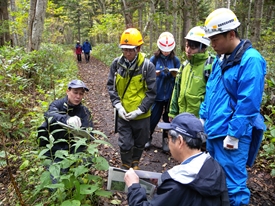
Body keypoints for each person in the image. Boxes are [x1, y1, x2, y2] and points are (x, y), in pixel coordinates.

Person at [199, 8, 266, 205]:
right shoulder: (222, 59)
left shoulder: (251, 60)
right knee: (214, 179)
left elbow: (249, 102)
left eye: (215, 39)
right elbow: (211, 90)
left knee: (233, 187)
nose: (212, 45)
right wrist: (203, 117)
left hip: (231, 136)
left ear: (231, 34)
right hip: (214, 130)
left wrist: (234, 134)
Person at [124, 112, 230, 206]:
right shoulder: (215, 168)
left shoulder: (177, 185)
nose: (168, 143)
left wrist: (134, 187)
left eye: (169, 138)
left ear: (180, 141)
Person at [107, 28, 156, 170]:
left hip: (142, 115)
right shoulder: (116, 64)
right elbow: (111, 86)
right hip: (124, 114)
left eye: (131, 50)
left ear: (138, 48)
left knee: (140, 142)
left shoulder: (147, 66)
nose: (127, 53)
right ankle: (125, 165)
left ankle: (135, 162)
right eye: (124, 49)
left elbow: (151, 92)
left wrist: (140, 110)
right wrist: (117, 106)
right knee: (125, 143)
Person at [37, 79, 94, 160]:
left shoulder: (84, 111)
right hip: (55, 146)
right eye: (75, 92)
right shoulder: (57, 104)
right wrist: (66, 119)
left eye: (81, 94)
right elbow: (49, 114)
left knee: (88, 160)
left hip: (75, 148)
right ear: (68, 91)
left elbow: (90, 132)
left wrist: (80, 135)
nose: (78, 96)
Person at [144, 32, 181, 152]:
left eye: (168, 50)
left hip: (170, 95)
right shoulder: (154, 59)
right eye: (164, 50)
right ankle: (147, 137)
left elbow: (180, 77)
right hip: (157, 95)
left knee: (168, 120)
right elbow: (147, 76)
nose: (166, 52)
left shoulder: (175, 60)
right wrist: (155, 74)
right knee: (153, 118)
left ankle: (165, 140)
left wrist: (173, 74)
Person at [168, 26, 211, 120]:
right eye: (187, 46)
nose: (188, 50)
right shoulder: (184, 66)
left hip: (200, 121)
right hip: (182, 118)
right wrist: (172, 112)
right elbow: (177, 89)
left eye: (193, 47)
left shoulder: (210, 66)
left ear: (202, 47)